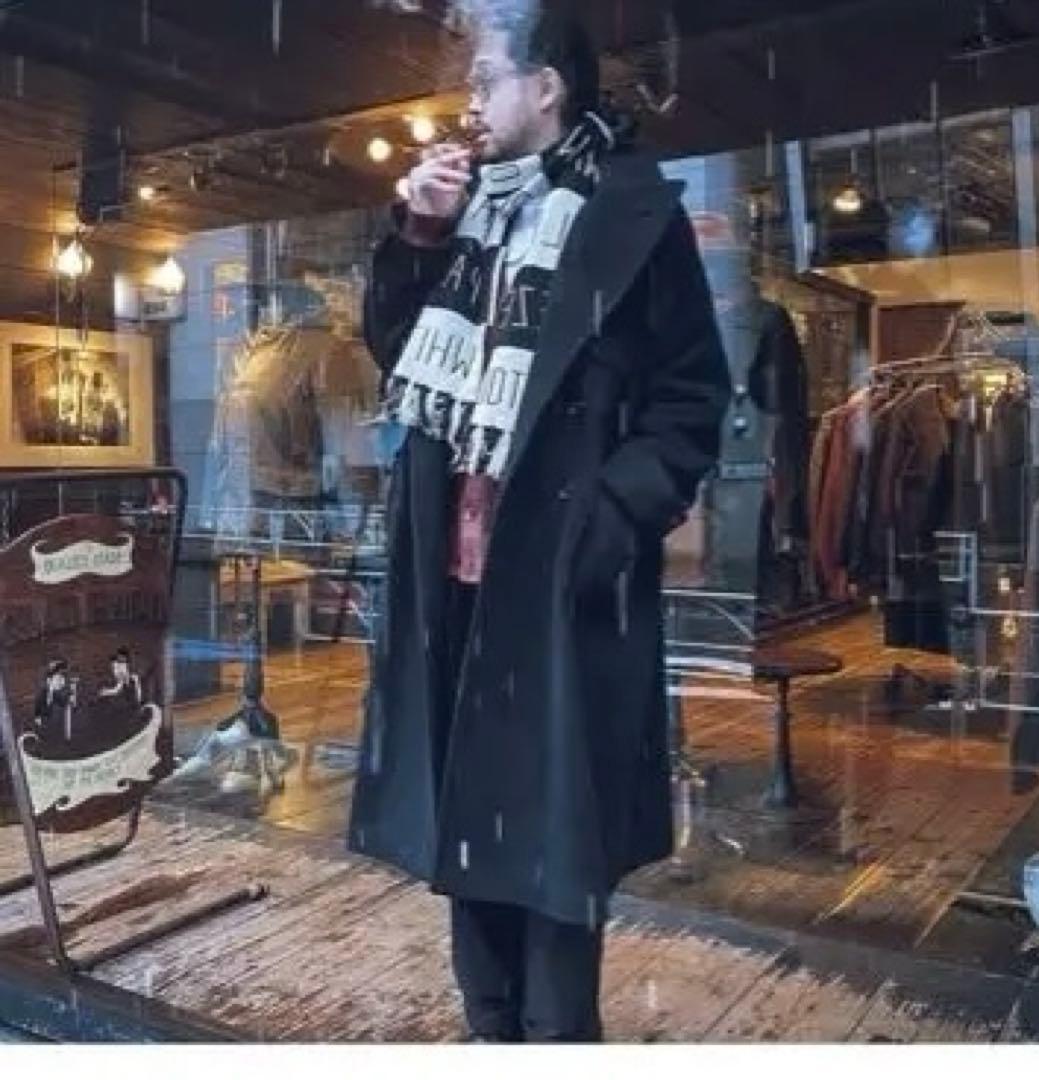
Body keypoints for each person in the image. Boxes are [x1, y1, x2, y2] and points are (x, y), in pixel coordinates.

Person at [348, 6, 730, 1043]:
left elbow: (692, 399)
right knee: (466, 827)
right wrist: (419, 233)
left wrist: (606, 523)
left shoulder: (628, 211)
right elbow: (396, 351)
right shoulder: (466, 215)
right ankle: (490, 1034)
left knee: (556, 850)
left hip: (558, 579)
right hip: (451, 578)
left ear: (547, 86)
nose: (469, 99)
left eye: (486, 77)